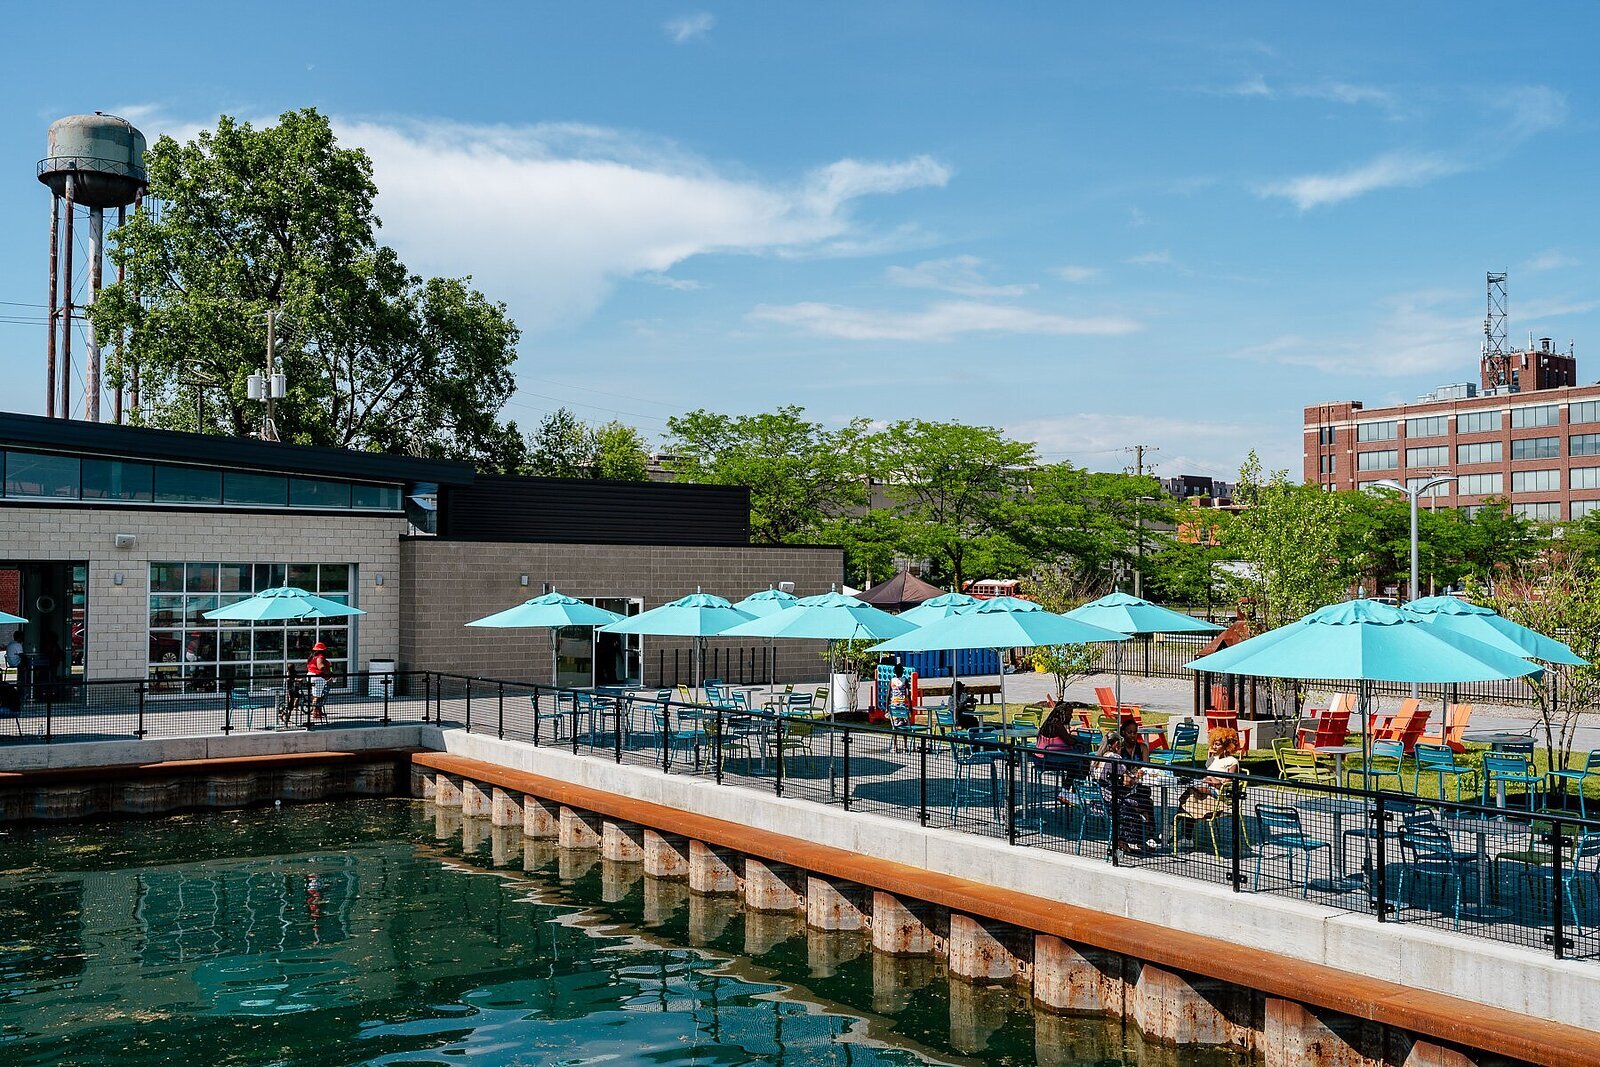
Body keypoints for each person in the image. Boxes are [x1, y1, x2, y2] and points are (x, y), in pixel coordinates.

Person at [1094, 717, 1159, 853]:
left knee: (1145, 801)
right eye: (1129, 732)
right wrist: (1134, 776)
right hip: (1116, 798)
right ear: (1118, 742)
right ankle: (1141, 840)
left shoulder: (1097, 758)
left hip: (1105, 797)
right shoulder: (1115, 757)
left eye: (1135, 732)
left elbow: (1141, 769)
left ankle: (1135, 839)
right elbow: (1127, 780)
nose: (1133, 735)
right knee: (1143, 805)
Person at [1177, 728, 1243, 822]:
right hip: (1207, 788)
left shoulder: (1232, 761)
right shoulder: (1213, 759)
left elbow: (1226, 784)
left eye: (1218, 744)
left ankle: (1175, 825)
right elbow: (1208, 777)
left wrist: (1212, 780)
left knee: (1191, 791)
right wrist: (1210, 780)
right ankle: (1185, 834)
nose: (1214, 747)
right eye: (1214, 744)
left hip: (1219, 794)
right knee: (1191, 798)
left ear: (1226, 746)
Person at [306, 642, 332, 722]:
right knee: (318, 695)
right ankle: (315, 712)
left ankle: (318, 711)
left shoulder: (311, 657)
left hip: (310, 675)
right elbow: (321, 667)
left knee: (317, 694)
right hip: (317, 677)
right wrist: (329, 673)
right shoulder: (320, 657)